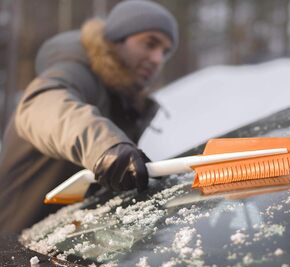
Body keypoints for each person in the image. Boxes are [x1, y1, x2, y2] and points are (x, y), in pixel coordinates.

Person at [0, 0, 178, 233]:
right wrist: (105, 147)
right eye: (150, 43)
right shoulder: (76, 71)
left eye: (164, 51)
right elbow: (41, 105)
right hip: (13, 240)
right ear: (117, 39)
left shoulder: (125, 101)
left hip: (61, 243)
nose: (157, 59)